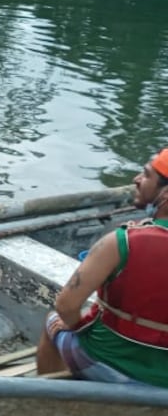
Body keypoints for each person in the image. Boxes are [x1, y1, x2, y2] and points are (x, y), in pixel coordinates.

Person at [36, 148, 168, 387]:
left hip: (110, 364)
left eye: (146, 175)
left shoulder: (122, 241)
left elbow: (66, 305)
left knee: (53, 320)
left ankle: (48, 405)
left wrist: (76, 326)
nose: (136, 179)